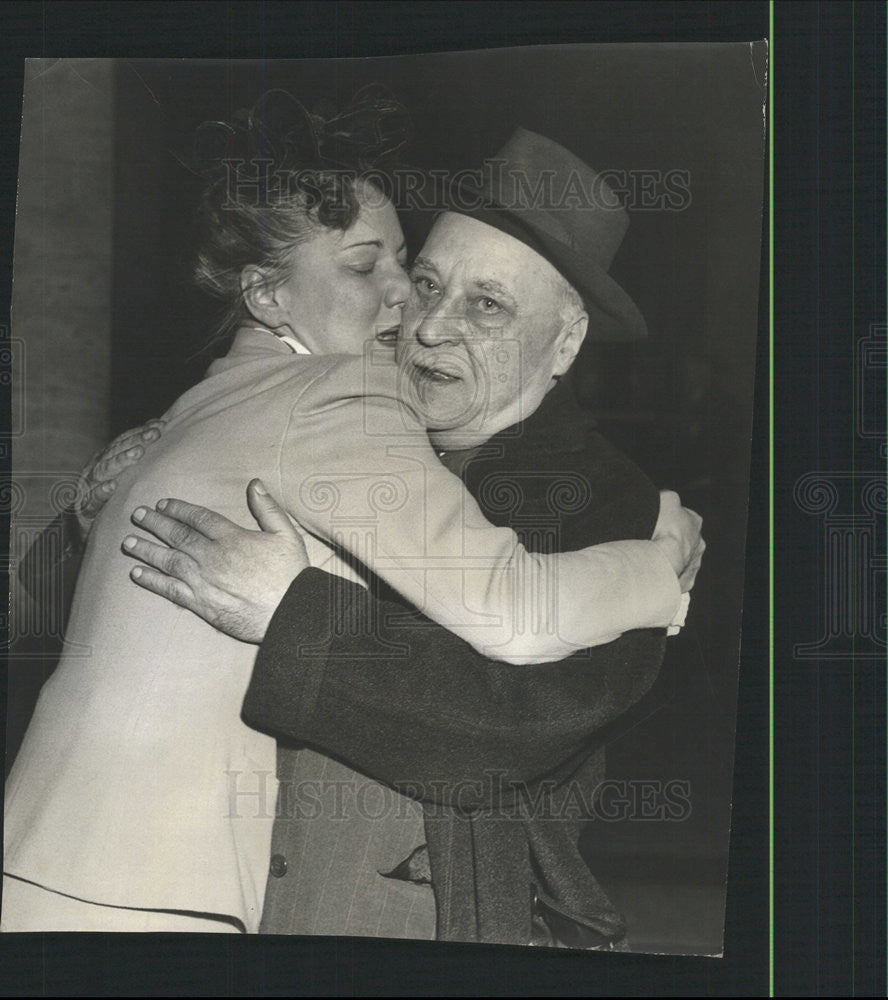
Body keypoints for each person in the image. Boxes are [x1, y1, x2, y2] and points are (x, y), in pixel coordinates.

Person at [3, 99, 694, 935]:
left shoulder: (610, 501)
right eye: (428, 283)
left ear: (565, 340)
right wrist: (95, 507)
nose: (427, 325)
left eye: (486, 307)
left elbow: (506, 728)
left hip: (405, 919)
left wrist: (287, 614)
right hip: (203, 898)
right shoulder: (318, 406)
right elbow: (51, 612)